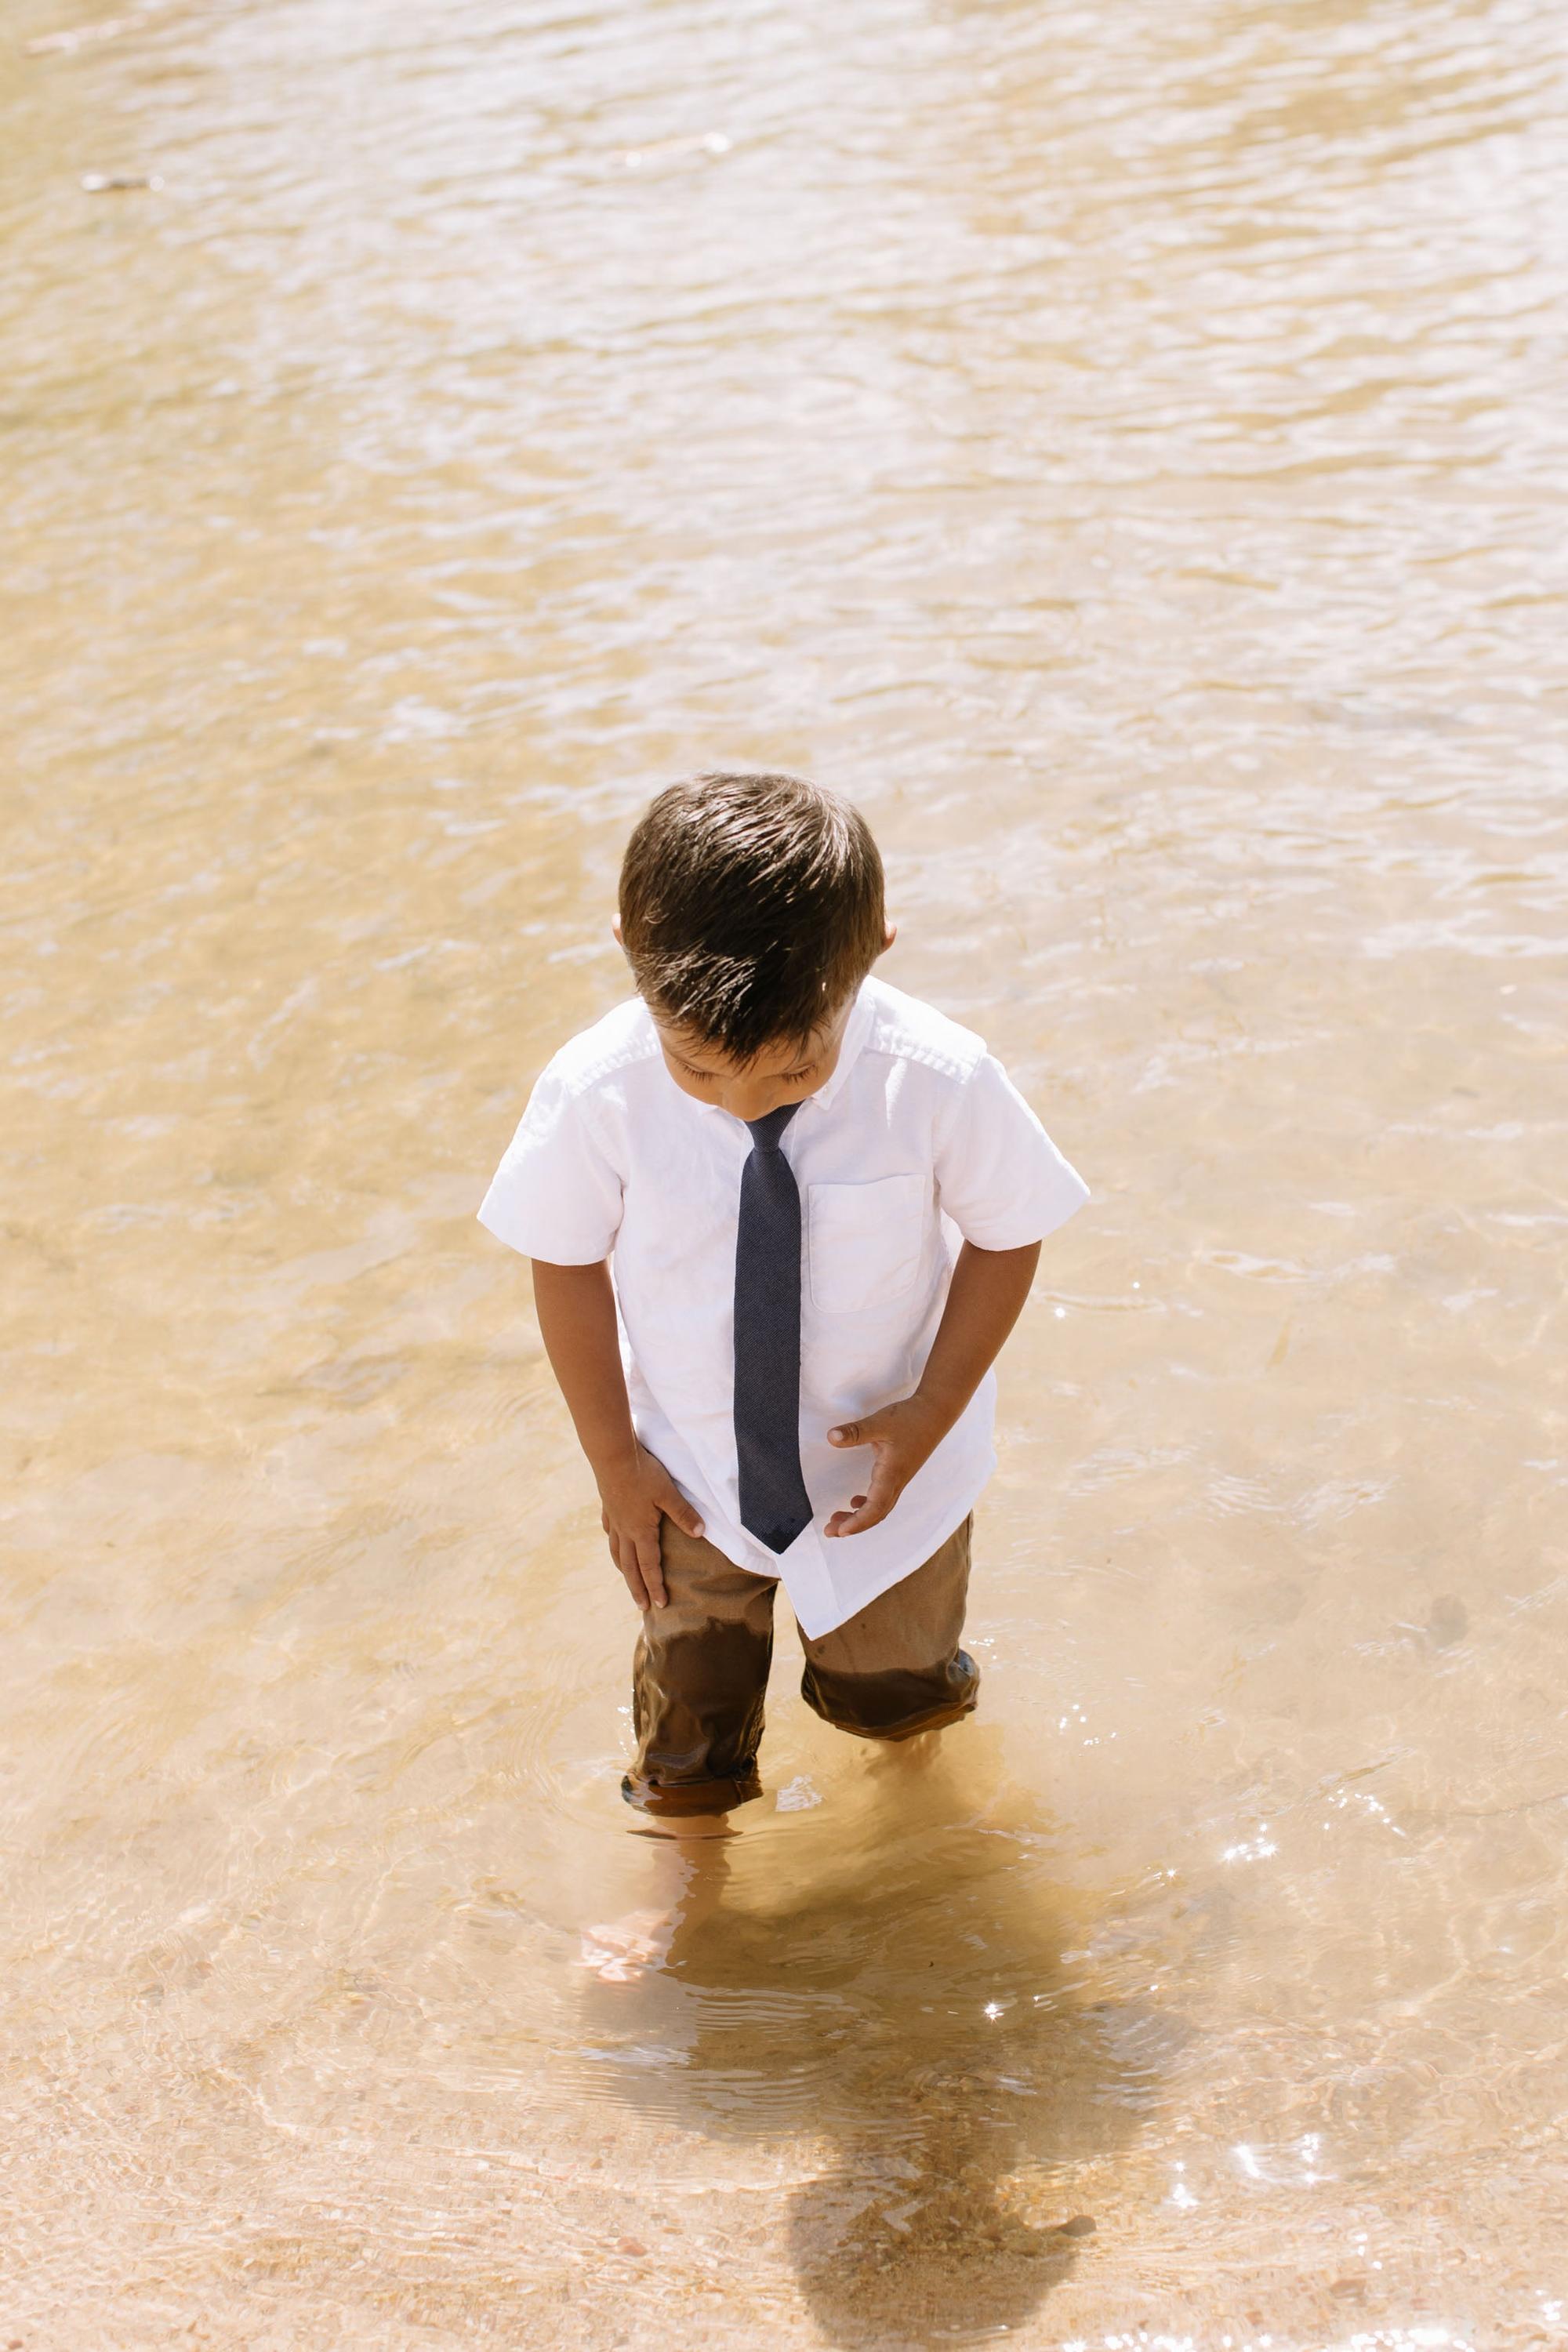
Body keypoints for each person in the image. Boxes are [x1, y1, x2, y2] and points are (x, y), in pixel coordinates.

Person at [478, 771, 1087, 1835]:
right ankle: (687, 1877)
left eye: (794, 1074)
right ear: (626, 946)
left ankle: (915, 1814)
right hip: (687, 1467)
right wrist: (615, 1462)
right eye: (698, 1069)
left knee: (895, 1691)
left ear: (875, 953)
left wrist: (934, 1407)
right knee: (689, 1707)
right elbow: (563, 1263)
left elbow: (1008, 1229)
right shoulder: (597, 1092)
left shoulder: (937, 1079)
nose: (741, 1102)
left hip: (887, 1477)